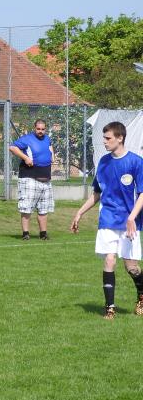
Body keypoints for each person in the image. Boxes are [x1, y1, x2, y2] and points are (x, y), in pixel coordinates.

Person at [70, 122, 143, 320]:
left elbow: (142, 194)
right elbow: (97, 193)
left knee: (132, 267)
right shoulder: (103, 162)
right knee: (109, 260)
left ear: (120, 138)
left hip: (129, 222)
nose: (104, 142)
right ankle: (109, 308)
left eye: (108, 138)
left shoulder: (136, 162)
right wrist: (79, 213)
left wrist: (132, 217)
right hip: (108, 219)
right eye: (104, 138)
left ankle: (141, 296)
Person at [9, 119, 54, 240]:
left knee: (44, 208)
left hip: (45, 178)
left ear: (45, 129)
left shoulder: (47, 139)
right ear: (34, 128)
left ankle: (43, 234)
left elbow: (50, 146)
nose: (40, 131)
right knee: (26, 207)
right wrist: (25, 158)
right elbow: (12, 147)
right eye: (38, 129)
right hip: (29, 178)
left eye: (43, 129)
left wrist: (52, 156)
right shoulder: (27, 139)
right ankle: (25, 234)